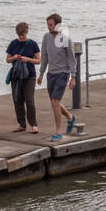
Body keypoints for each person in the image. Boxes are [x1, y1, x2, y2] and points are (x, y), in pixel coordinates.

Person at [36, 12, 78, 141]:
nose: (48, 27)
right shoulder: (46, 38)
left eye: (50, 25)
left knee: (55, 101)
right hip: (51, 74)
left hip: (62, 74)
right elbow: (44, 57)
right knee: (55, 102)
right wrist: (41, 74)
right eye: (47, 25)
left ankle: (58, 132)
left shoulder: (66, 40)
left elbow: (72, 59)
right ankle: (70, 118)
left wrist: (73, 77)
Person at [5, 22, 41, 134]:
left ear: (27, 32)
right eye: (19, 35)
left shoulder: (33, 44)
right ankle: (22, 124)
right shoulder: (13, 44)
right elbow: (7, 59)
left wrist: (28, 59)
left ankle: (34, 125)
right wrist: (14, 58)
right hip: (16, 76)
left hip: (30, 75)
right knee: (17, 100)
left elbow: (38, 60)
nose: (21, 37)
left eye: (23, 34)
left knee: (29, 101)